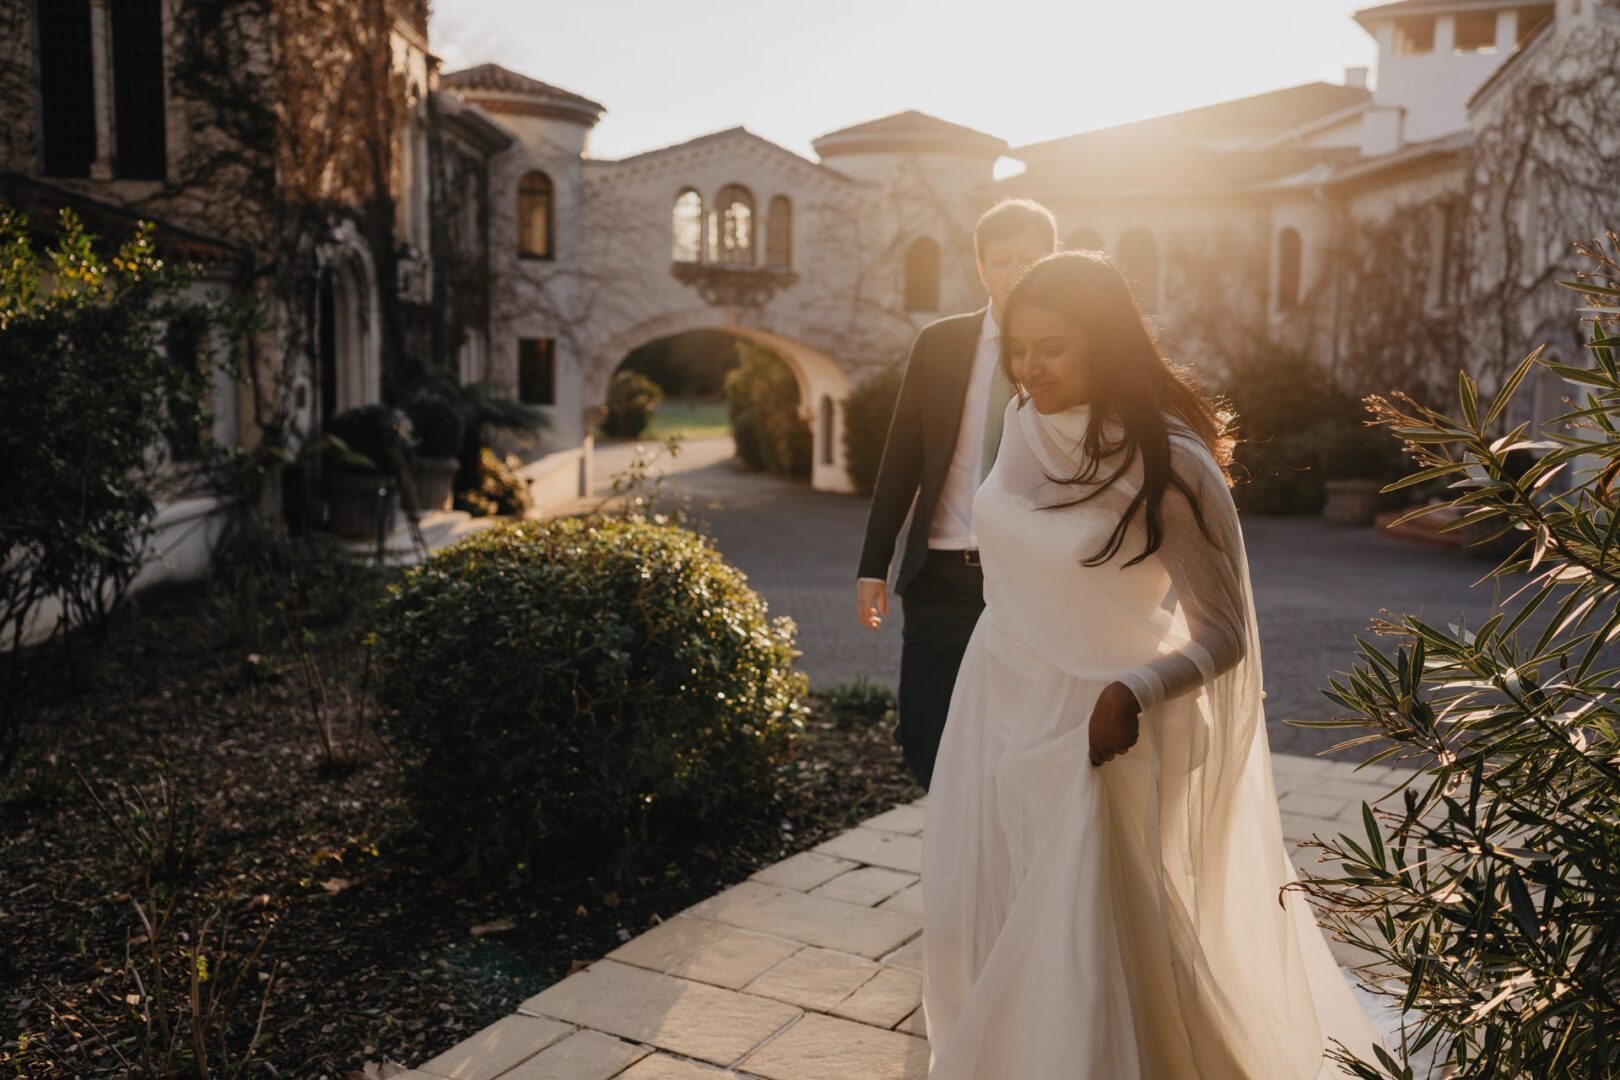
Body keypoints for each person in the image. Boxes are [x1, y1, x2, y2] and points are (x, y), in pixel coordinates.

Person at [919, 251, 1384, 1078]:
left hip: (1107, 729)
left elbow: (1226, 632)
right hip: (998, 704)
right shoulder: (1024, 426)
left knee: (1087, 941)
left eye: (1052, 345)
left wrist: (1134, 689)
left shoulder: (1171, 464)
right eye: (1019, 348)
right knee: (989, 915)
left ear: (1105, 340)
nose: (1029, 367)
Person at [855, 198, 1057, 790]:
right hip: (940, 573)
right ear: (981, 268)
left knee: (1016, 731)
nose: (1017, 270)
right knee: (923, 734)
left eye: (1032, 257)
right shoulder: (939, 344)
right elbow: (901, 460)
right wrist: (873, 564)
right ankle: (958, 844)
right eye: (1004, 259)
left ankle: (1000, 852)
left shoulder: (1070, 357)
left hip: (1027, 578)